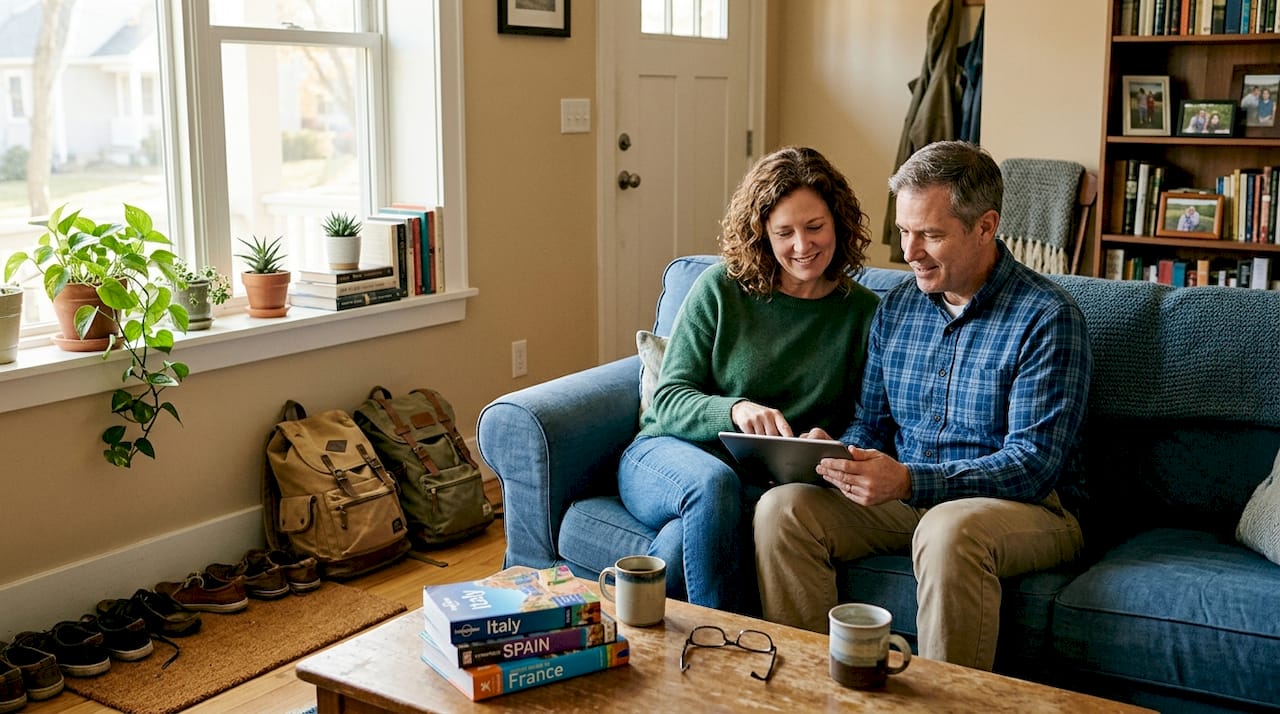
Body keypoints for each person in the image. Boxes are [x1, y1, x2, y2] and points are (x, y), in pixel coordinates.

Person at [754, 140, 1092, 671]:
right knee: (783, 510)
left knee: (949, 528)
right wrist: (841, 454)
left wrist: (910, 481)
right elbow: (873, 424)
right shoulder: (897, 309)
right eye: (905, 231)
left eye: (930, 235)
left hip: (1030, 508)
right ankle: (814, 691)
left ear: (985, 227)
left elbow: (1033, 465)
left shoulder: (1047, 318)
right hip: (911, 499)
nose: (909, 252)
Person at [618, 146, 880, 612]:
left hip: (753, 483)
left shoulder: (862, 313)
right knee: (713, 486)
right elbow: (669, 401)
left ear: (839, 221)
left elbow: (869, 415)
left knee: (680, 550)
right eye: (785, 232)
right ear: (762, 233)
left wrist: (830, 440)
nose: (803, 246)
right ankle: (727, 648)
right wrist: (734, 408)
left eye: (815, 227)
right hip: (665, 455)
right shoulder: (721, 288)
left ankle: (625, 634)